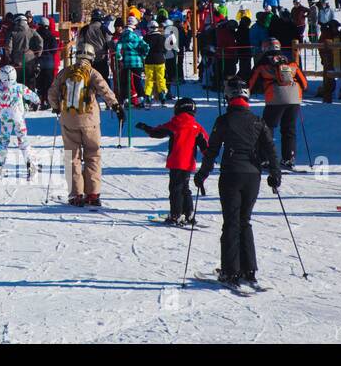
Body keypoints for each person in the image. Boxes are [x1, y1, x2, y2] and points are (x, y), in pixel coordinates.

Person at [194, 78, 282, 288]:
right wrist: (275, 174)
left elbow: (212, 150)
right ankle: (248, 270)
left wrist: (202, 174)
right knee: (245, 221)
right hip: (252, 176)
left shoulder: (224, 121)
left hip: (232, 174)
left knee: (231, 222)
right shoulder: (257, 121)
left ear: (229, 97)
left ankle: (230, 272)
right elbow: (270, 148)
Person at [47, 43, 119, 207]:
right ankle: (93, 194)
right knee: (93, 155)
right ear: (91, 57)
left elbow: (52, 92)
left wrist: (56, 107)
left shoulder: (65, 72)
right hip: (90, 121)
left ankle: (76, 195)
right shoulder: (92, 72)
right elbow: (104, 90)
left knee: (72, 157)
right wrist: (115, 105)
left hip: (68, 120)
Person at [136, 98, 209, 226]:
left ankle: (176, 214)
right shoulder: (197, 127)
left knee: (175, 188)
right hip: (188, 163)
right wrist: (208, 160)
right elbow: (206, 145)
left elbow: (157, 132)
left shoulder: (175, 123)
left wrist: (145, 127)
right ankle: (188, 212)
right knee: (185, 188)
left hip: (176, 162)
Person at [248, 38, 307, 170]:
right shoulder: (289, 59)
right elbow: (304, 83)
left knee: (266, 128)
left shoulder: (263, 62)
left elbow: (251, 83)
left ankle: (265, 159)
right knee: (289, 129)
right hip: (294, 98)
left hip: (275, 98)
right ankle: (289, 158)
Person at [0, 64, 39, 179]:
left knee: (3, 141)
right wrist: (37, 100)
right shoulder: (19, 87)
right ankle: (30, 165)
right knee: (23, 140)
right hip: (19, 119)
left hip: (5, 120)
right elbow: (31, 95)